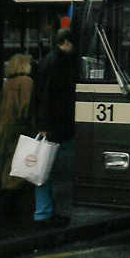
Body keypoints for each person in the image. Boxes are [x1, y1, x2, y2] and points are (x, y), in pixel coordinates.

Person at [31, 28, 77, 226]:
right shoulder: (59, 63)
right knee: (54, 170)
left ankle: (44, 211)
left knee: (43, 169)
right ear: (66, 42)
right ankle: (49, 212)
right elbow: (49, 97)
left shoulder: (47, 61)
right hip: (57, 127)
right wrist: (45, 125)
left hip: (50, 125)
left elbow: (40, 96)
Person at [0, 53, 34, 211]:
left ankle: (6, 193)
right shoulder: (26, 81)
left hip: (4, 127)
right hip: (20, 128)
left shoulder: (8, 83)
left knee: (7, 162)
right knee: (20, 163)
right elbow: (26, 106)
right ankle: (11, 201)